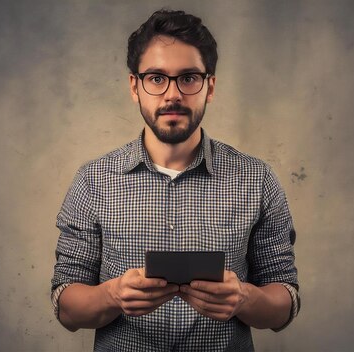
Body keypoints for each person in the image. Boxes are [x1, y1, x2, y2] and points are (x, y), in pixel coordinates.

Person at [51, 9, 300, 351]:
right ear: (134, 87)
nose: (172, 95)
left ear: (209, 86)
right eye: (156, 78)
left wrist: (245, 298)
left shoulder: (257, 179)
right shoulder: (93, 181)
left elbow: (284, 299)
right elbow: (66, 307)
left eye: (188, 78)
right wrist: (111, 295)